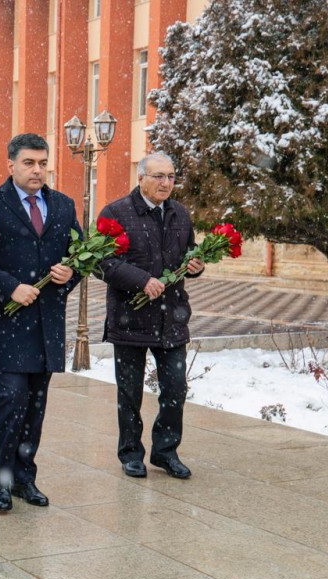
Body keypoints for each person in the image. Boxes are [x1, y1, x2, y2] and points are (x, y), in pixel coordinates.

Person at [0, 133, 81, 512]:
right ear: (11, 164)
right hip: (8, 322)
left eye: (43, 163)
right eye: (29, 163)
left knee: (35, 406)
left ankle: (25, 477)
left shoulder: (63, 205)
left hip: (47, 324)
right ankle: (2, 481)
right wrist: (11, 287)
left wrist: (69, 273)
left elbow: (80, 255)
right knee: (10, 402)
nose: (37, 170)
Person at [97, 152, 204, 480]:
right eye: (158, 176)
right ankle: (131, 453)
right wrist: (141, 280)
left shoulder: (180, 213)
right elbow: (103, 263)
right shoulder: (115, 213)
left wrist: (196, 266)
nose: (166, 183)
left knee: (175, 388)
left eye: (171, 176)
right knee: (129, 392)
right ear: (140, 177)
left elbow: (189, 252)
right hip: (130, 318)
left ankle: (165, 451)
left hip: (171, 319)